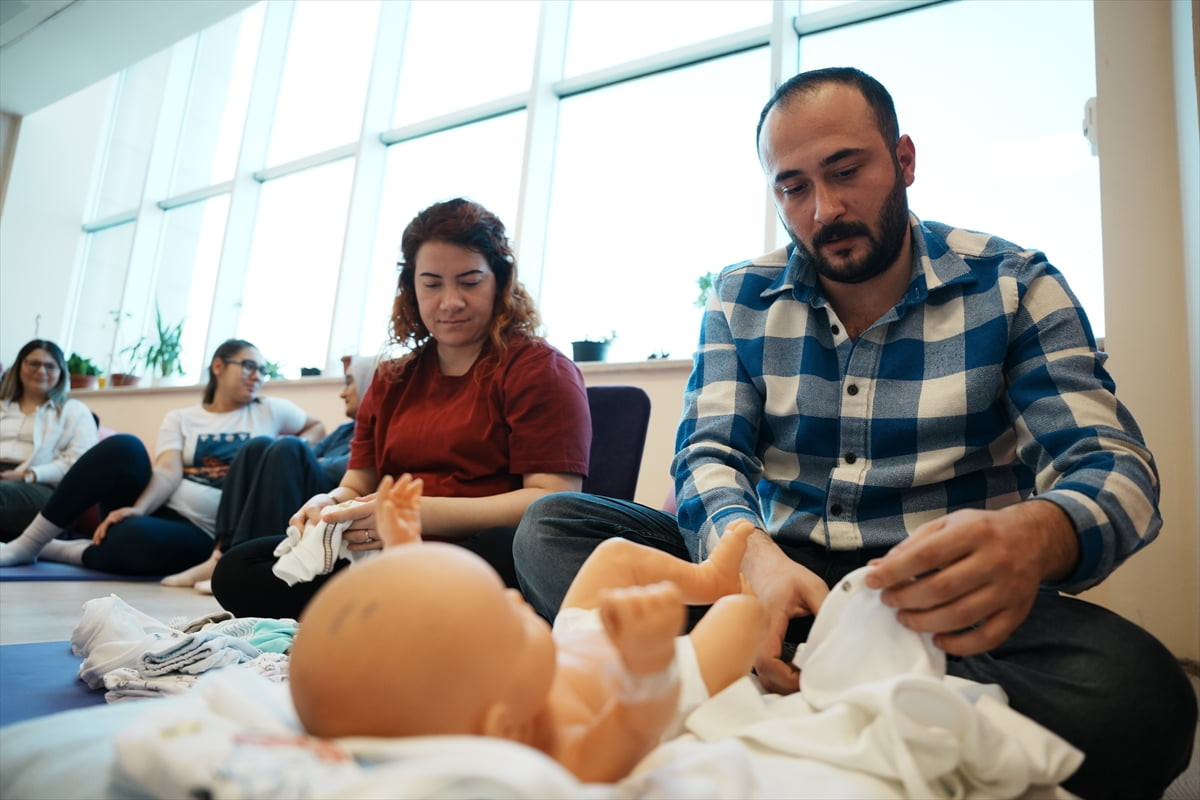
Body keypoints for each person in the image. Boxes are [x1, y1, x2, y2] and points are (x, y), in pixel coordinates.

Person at [511, 67, 1196, 799]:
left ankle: (762, 673)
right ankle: (828, 673)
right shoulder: (741, 296)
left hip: (934, 592)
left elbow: (1114, 466)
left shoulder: (1015, 284)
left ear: (903, 160)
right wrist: (753, 559)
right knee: (551, 529)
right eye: (794, 187)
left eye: (846, 171)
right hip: (778, 569)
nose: (824, 209)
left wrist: (1037, 534)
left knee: (1142, 701)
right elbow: (709, 455)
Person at [211, 198, 591, 619]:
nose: (450, 302)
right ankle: (392, 608)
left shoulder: (540, 370)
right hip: (381, 549)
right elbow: (357, 483)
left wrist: (413, 515)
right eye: (432, 284)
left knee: (505, 551)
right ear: (411, 287)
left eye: (469, 281)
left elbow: (551, 499)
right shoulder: (393, 378)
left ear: (500, 282)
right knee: (238, 569)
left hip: (472, 551)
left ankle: (378, 609)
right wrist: (328, 502)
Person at [288, 474, 766, 783]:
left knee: (614, 554)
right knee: (740, 618)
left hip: (574, 637)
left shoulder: (492, 688)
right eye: (513, 621)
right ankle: (739, 611)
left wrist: (405, 546)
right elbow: (632, 728)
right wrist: (646, 668)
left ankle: (707, 580)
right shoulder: (556, 751)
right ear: (505, 724)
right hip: (643, 677)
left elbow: (420, 614)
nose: (517, 598)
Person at [0, 339, 325, 574]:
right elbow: (168, 472)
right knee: (124, 446)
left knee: (132, 538)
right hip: (165, 509)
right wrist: (137, 509)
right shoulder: (181, 417)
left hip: (204, 532)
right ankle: (28, 544)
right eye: (249, 366)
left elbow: (317, 426)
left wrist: (300, 450)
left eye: (263, 371)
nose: (258, 376)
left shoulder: (270, 409)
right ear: (218, 366)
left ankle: (60, 549)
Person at [159, 355, 377, 592]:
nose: (342, 393)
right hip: (311, 491)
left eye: (349, 383)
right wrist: (299, 459)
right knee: (257, 446)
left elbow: (343, 468)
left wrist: (298, 458)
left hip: (331, 499)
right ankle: (221, 554)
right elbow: (313, 457)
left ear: (370, 384)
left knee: (289, 447)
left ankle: (248, 563)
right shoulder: (344, 430)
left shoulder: (376, 431)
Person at [0, 339, 99, 539]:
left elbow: (79, 463)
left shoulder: (74, 410)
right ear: (19, 366)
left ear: (61, 373)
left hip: (40, 487)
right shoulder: (3, 405)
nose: (41, 371)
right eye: (34, 363)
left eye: (50, 366)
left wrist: (28, 474)